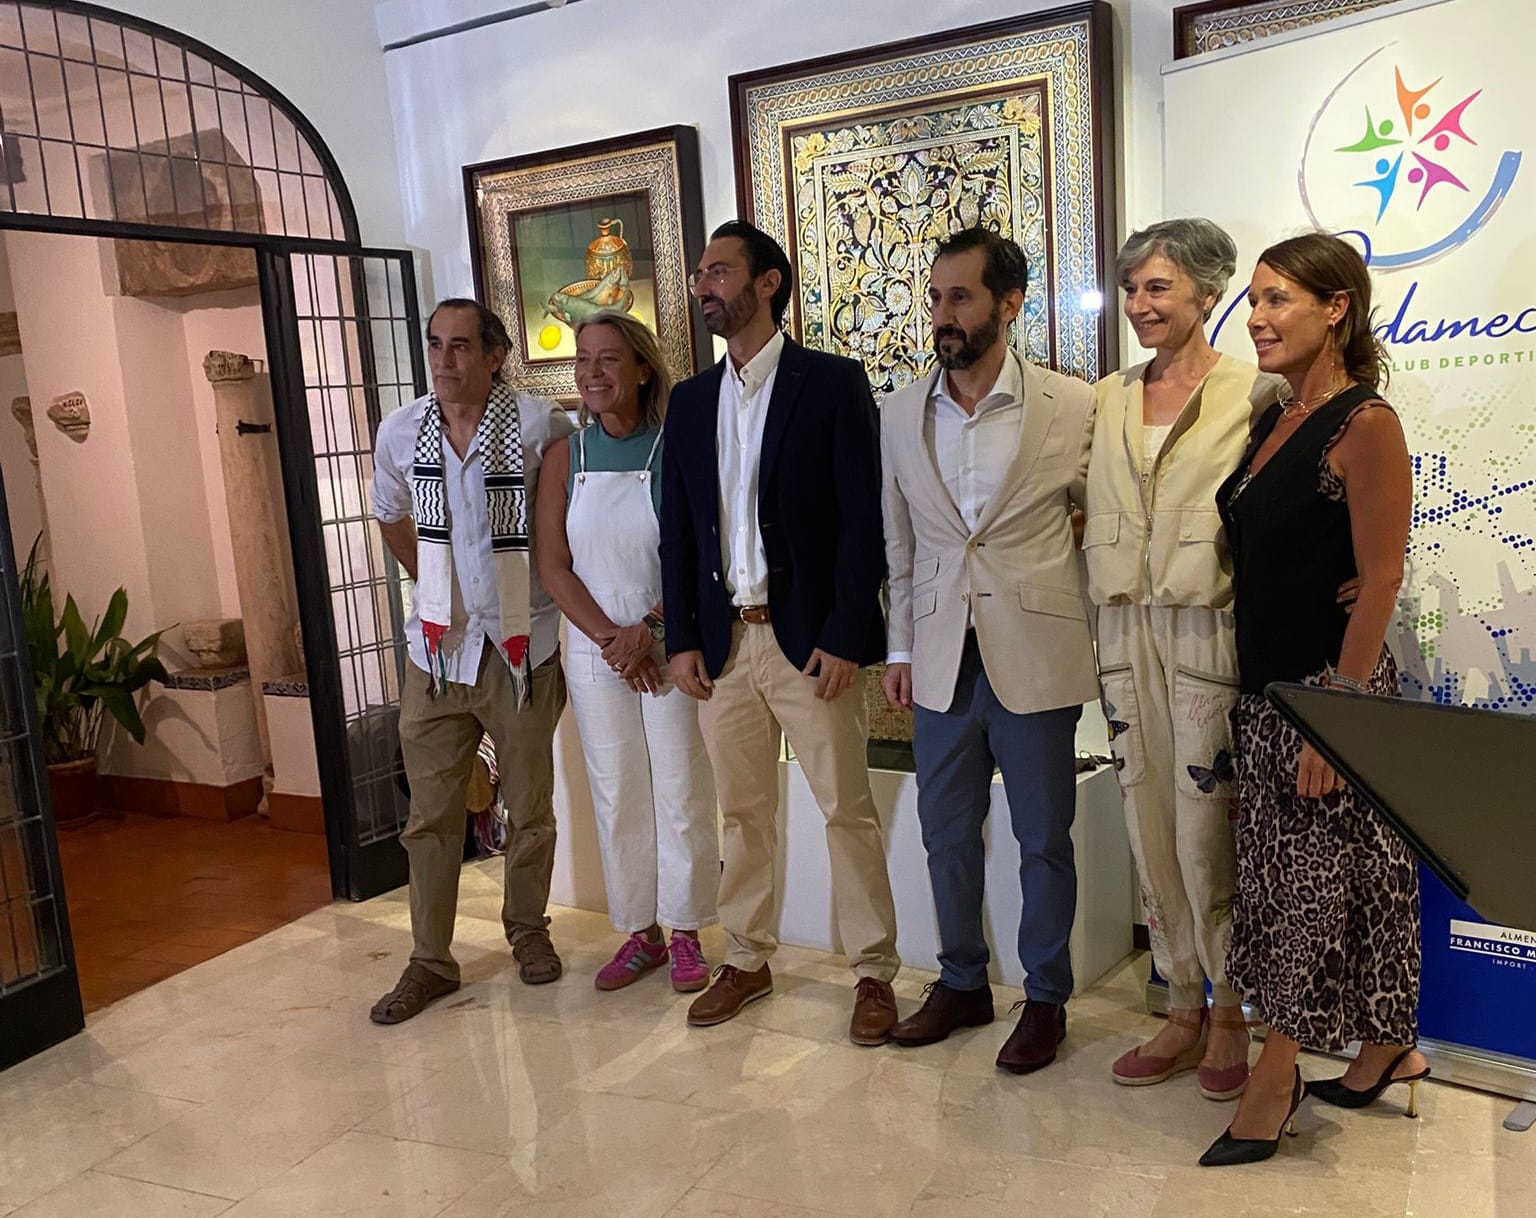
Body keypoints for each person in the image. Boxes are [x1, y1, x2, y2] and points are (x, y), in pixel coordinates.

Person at [1202, 232, 1422, 1166]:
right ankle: (1384, 1048)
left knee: (1295, 891)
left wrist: (1334, 711)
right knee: (1359, 875)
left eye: (1278, 298)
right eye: (1251, 299)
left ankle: (1275, 1073)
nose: (1255, 316)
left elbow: (1378, 580)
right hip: (1271, 688)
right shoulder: (1275, 419)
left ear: (1338, 308)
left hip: (1331, 691)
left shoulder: (1364, 424)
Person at [659, 219, 901, 1045]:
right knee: (742, 812)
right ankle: (749, 958)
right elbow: (680, 531)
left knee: (846, 809)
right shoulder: (691, 401)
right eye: (701, 272)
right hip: (724, 646)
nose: (705, 286)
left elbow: (861, 521)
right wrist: (683, 638)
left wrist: (844, 633)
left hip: (808, 642)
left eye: (720, 270)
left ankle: (872, 973)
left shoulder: (832, 383)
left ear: (767, 283)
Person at [880, 227, 1097, 1074]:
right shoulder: (898, 411)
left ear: (1009, 304)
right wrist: (898, 647)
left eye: (961, 297)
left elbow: (1101, 528)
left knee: (1044, 835)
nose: (943, 314)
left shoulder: (1071, 406)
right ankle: (961, 982)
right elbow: (900, 546)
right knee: (945, 832)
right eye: (935, 297)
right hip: (938, 654)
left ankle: (1046, 998)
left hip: (1036, 650)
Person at [1083, 219, 1277, 1099]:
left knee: (1208, 827)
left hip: (1207, 625)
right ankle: (1181, 1001)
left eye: (1158, 288)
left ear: (1207, 292)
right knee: (1144, 818)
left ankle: (1234, 1007)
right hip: (1124, 626)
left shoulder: (1255, 392)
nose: (1140, 305)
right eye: (1131, 289)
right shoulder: (1110, 395)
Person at [368, 298, 573, 1024]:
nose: (445, 361)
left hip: (521, 646)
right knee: (429, 817)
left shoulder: (543, 427)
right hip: (435, 652)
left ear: (495, 355)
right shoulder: (401, 432)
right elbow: (392, 515)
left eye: (461, 347)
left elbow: (562, 531)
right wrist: (433, 589)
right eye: (435, 346)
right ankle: (430, 960)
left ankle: (528, 933)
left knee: (530, 805)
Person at [534, 311, 718, 994]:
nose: (592, 374)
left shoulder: (676, 449)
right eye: (583, 360)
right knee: (616, 795)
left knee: (680, 790)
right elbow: (554, 565)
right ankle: (640, 932)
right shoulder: (565, 458)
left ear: (642, 368)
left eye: (609, 360)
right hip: (595, 653)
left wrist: (651, 629)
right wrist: (614, 640)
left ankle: (689, 932)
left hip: (670, 648)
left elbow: (699, 555)